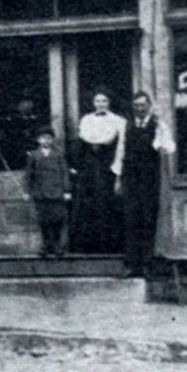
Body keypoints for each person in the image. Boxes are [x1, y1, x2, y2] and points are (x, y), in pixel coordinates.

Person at [121, 91, 175, 277]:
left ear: (149, 105)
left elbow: (169, 146)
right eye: (136, 105)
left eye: (143, 105)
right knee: (131, 219)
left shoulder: (158, 125)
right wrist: (118, 178)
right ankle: (132, 264)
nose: (140, 108)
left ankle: (147, 264)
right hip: (131, 178)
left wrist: (160, 127)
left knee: (148, 218)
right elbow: (120, 152)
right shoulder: (126, 125)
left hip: (150, 178)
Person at [71, 90, 126, 254]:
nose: (100, 104)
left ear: (109, 102)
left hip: (107, 166)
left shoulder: (118, 121)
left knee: (107, 204)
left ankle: (110, 246)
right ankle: (88, 246)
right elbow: (83, 141)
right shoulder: (87, 120)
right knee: (88, 204)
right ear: (93, 103)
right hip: (89, 168)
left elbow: (121, 146)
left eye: (104, 100)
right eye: (97, 101)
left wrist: (118, 171)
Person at [24, 126, 72, 257]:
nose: (46, 140)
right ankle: (46, 245)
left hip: (57, 192)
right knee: (43, 220)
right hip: (40, 193)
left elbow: (64, 173)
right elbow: (29, 175)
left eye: (49, 138)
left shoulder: (58, 154)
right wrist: (27, 191)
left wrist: (67, 190)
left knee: (57, 219)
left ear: (53, 140)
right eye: (43, 138)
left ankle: (56, 245)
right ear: (38, 140)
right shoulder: (33, 155)